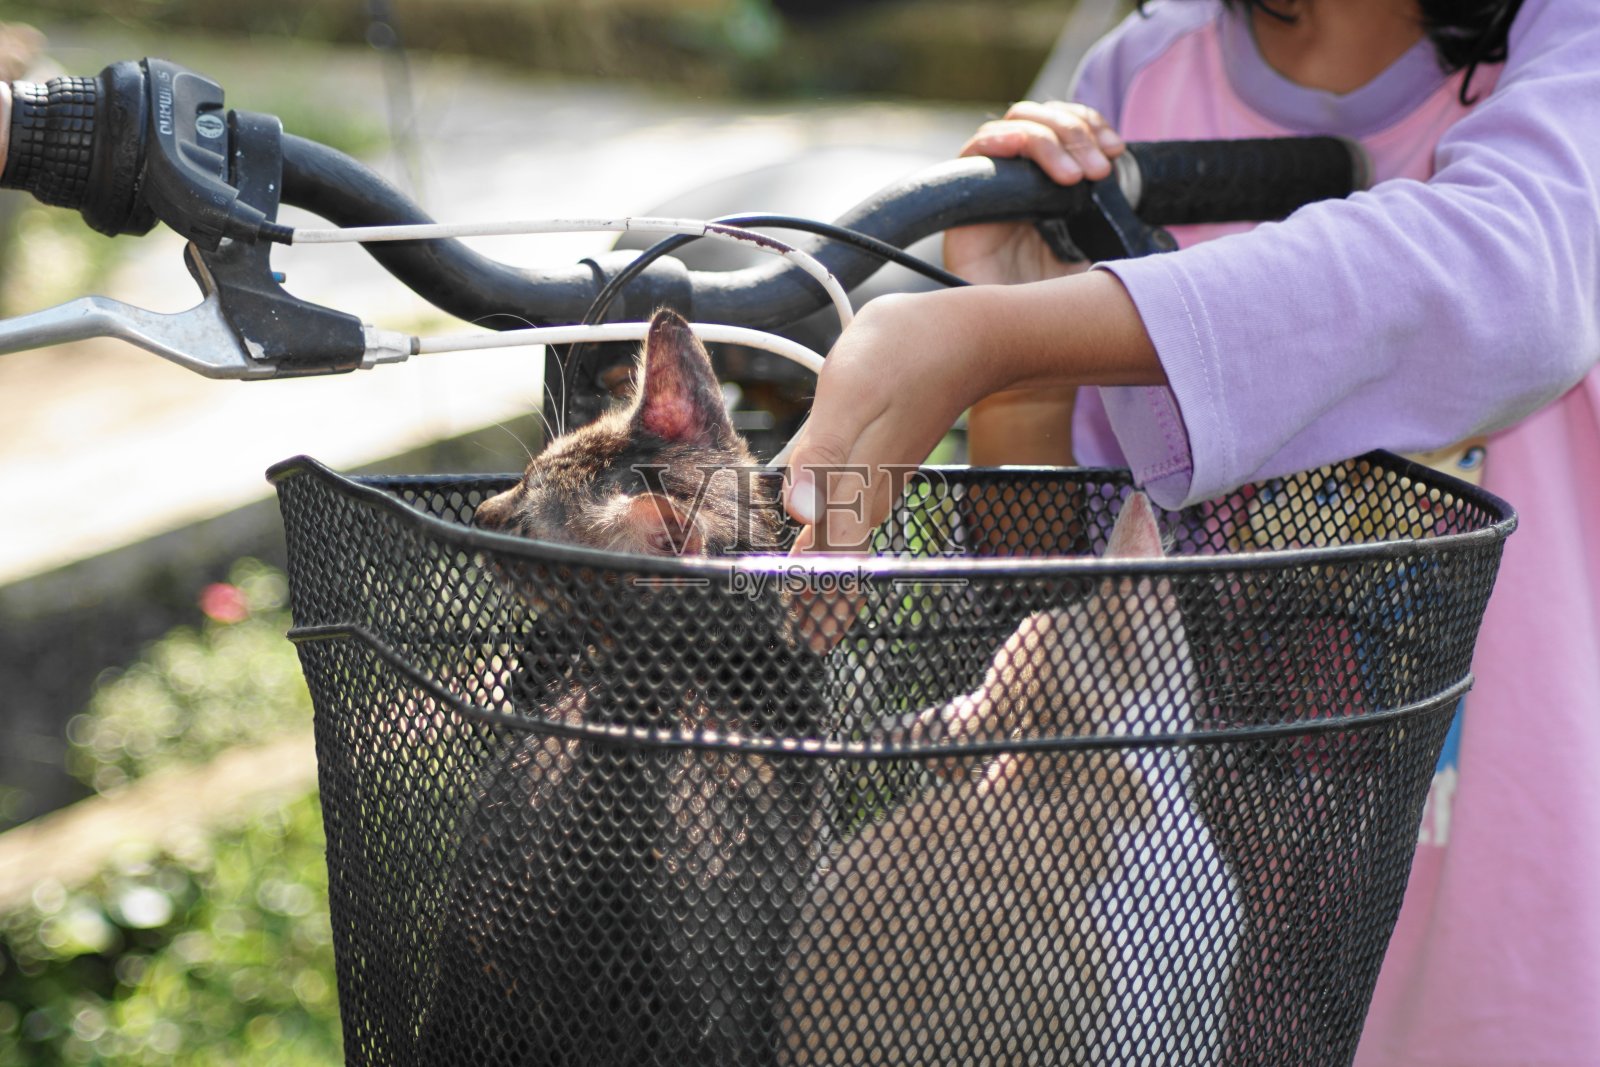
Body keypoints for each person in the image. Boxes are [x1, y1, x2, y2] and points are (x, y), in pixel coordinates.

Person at [783, 0, 1600, 1063]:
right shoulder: (1137, 79)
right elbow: (1055, 600)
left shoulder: (1569, 44)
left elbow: (1509, 280)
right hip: (1181, 972)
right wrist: (1020, 368)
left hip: (1500, 961)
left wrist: (993, 335)